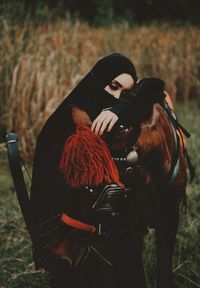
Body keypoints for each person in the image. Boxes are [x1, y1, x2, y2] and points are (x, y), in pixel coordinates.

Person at [30, 53, 165, 288]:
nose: (115, 97)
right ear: (97, 81)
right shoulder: (61, 126)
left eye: (124, 93)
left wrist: (119, 109)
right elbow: (43, 194)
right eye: (113, 86)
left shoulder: (115, 119)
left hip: (111, 229)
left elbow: (155, 86)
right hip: (73, 233)